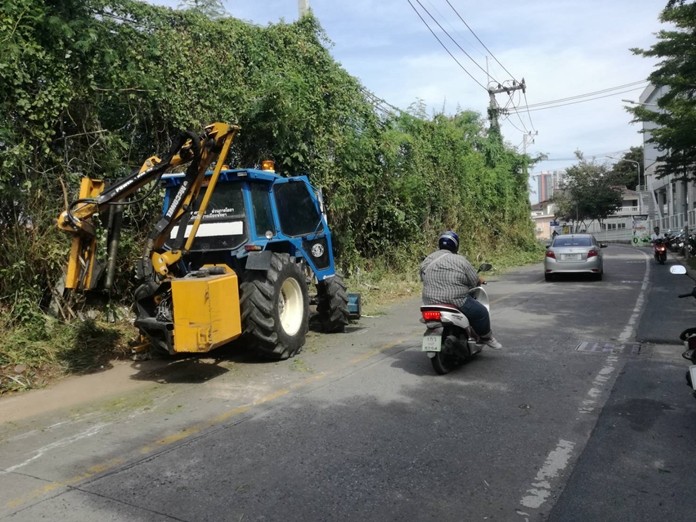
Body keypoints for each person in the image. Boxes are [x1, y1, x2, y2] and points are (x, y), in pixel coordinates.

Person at [419, 231, 502, 350]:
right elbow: (473, 280)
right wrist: (478, 281)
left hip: (429, 301)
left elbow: (422, 278)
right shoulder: (461, 260)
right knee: (481, 313)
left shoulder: (427, 260)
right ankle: (486, 337)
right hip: (456, 300)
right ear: (456, 246)